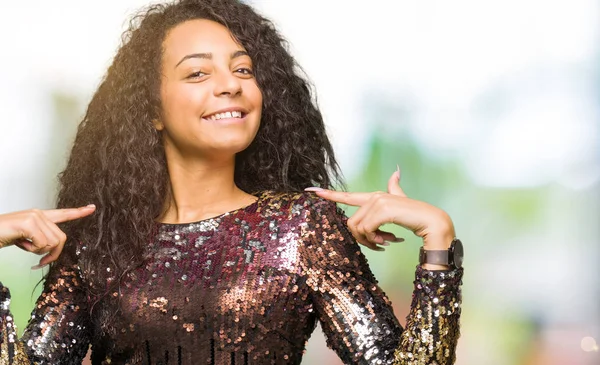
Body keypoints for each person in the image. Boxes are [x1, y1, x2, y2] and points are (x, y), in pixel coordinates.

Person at [0, 0, 464, 364]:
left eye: (243, 69)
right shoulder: (97, 243)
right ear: (152, 111)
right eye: (198, 72)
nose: (231, 85)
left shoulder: (301, 227)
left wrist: (437, 239)